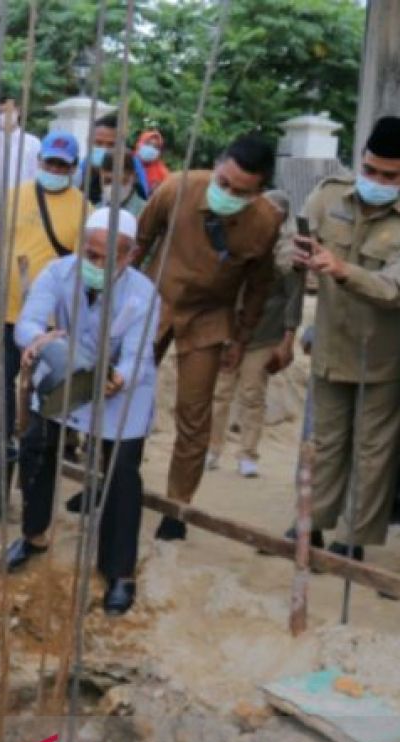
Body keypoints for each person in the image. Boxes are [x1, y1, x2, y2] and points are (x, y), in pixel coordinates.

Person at [2, 208, 158, 615]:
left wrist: (119, 377)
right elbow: (28, 321)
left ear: (131, 254)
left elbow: (140, 354)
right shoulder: (58, 272)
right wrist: (40, 339)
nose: (96, 265)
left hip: (120, 391)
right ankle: (34, 534)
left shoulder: (143, 292)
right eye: (90, 254)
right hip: (67, 372)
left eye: (109, 258)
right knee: (37, 445)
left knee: (121, 471)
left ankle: (118, 571)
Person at [135, 134, 282, 541]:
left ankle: (177, 507)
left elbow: (258, 285)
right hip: (154, 303)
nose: (228, 193)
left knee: (194, 416)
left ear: (258, 191)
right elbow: (138, 244)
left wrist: (241, 338)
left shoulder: (267, 221)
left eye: (241, 191)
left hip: (209, 317)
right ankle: (110, 484)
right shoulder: (176, 187)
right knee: (123, 396)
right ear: (216, 166)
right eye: (224, 182)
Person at [291, 116, 400, 563]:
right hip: (330, 346)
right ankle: (311, 524)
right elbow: (292, 245)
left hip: (384, 356)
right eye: (371, 170)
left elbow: (394, 289)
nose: (376, 181)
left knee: (373, 452)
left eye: (389, 176)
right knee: (323, 442)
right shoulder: (329, 194)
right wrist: (296, 257)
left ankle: (352, 538)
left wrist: (341, 270)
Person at [0, 132, 89, 440]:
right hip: (3, 310)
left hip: (50, 324)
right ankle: (1, 442)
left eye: (62, 166)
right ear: (39, 161)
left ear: (72, 168)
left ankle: (39, 442)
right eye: (50, 163)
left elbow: (81, 268)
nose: (55, 171)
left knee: (45, 385)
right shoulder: (13, 196)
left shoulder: (84, 210)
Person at [207, 189, 301, 478]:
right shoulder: (241, 240)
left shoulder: (288, 255)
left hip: (264, 333)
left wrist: (288, 339)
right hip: (231, 330)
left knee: (252, 393)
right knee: (220, 393)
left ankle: (248, 455)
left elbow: (293, 298)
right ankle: (212, 450)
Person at [0, 97, 41, 209]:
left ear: (18, 111)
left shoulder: (33, 143)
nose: (3, 116)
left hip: (22, 204)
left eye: (7, 111)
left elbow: (36, 175)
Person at [79, 114, 150, 205]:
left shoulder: (133, 166)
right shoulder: (81, 167)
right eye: (98, 143)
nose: (104, 149)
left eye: (111, 145)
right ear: (88, 142)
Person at [101, 151, 147, 217]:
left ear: (134, 177)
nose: (113, 187)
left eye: (121, 181)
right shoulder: (95, 210)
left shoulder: (146, 213)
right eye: (108, 181)